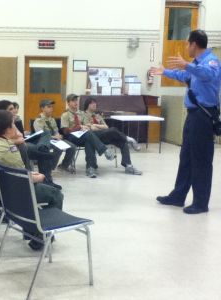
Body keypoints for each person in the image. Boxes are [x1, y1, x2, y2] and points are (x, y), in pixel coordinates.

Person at [150, 29, 221, 214]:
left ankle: (200, 202)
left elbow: (209, 75)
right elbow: (185, 76)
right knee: (186, 157)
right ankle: (178, 196)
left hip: (203, 117)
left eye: (187, 44)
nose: (186, 47)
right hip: (193, 115)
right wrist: (165, 71)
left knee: (201, 160)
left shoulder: (210, 61)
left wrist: (186, 65)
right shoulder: (196, 64)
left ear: (194, 44)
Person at [0, 110, 63, 250]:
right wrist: (40, 176)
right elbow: (23, 179)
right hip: (10, 195)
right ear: (7, 129)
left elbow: (16, 171)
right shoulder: (7, 148)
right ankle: (40, 235)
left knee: (44, 185)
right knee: (56, 194)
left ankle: (33, 232)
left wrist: (31, 174)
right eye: (13, 124)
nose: (16, 128)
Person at [0, 100, 61, 189]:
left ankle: (42, 148)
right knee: (46, 153)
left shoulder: (11, 120)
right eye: (11, 109)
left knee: (46, 133)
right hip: (17, 147)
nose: (14, 111)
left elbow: (20, 135)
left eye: (14, 108)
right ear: (2, 111)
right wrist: (16, 140)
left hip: (23, 142)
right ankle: (46, 181)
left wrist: (18, 138)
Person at [61, 94, 115, 178]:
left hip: (83, 135)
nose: (76, 102)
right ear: (68, 103)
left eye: (76, 100)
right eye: (73, 101)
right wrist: (79, 127)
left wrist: (87, 126)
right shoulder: (65, 115)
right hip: (71, 137)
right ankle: (104, 150)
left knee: (88, 141)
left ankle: (90, 168)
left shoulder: (81, 114)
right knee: (89, 134)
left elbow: (87, 124)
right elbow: (65, 131)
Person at [84, 97, 142, 175]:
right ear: (87, 104)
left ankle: (128, 166)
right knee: (113, 130)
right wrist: (95, 126)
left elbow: (106, 127)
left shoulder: (97, 116)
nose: (94, 104)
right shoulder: (83, 115)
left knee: (122, 141)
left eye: (95, 103)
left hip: (103, 135)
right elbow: (88, 128)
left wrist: (95, 125)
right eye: (92, 103)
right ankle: (129, 139)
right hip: (93, 137)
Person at [33, 99, 76, 173]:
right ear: (42, 108)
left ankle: (64, 166)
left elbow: (56, 130)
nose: (51, 109)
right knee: (58, 148)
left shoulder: (52, 119)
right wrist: (54, 137)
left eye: (52, 107)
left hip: (55, 140)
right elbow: (41, 135)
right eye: (49, 107)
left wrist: (58, 136)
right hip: (45, 141)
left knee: (72, 147)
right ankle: (50, 168)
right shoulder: (38, 120)